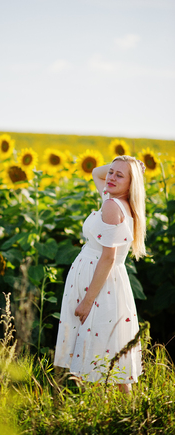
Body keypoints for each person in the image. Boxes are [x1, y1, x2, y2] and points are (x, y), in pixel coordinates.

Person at [54, 155, 146, 394]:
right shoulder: (119, 202)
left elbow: (108, 257)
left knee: (95, 347)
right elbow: (96, 171)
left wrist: (87, 300)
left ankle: (96, 410)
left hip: (97, 284)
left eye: (119, 175)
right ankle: (128, 414)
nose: (111, 177)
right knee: (109, 346)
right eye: (112, 172)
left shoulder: (111, 206)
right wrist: (131, 164)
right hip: (108, 282)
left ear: (131, 183)